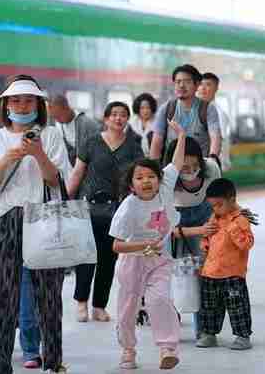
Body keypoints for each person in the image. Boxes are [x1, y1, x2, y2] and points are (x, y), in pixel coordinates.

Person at [0, 75, 71, 374]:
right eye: (16, 100)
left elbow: (57, 181)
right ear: (5, 105)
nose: (22, 105)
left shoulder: (51, 135)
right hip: (7, 218)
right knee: (3, 292)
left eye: (28, 100)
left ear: (38, 104)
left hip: (44, 219)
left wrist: (38, 152)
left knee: (49, 293)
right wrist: (6, 159)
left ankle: (52, 360)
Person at [109, 121, 186, 370]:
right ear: (132, 184)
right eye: (140, 178)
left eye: (151, 176)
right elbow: (117, 247)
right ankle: (128, 350)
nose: (146, 181)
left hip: (160, 259)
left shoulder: (164, 190)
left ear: (159, 180)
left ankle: (167, 348)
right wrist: (142, 245)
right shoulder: (128, 207)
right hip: (133, 260)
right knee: (127, 310)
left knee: (159, 300)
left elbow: (176, 162)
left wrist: (182, 135)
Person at [67, 101, 143, 322]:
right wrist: (67, 200)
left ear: (127, 119)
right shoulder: (91, 142)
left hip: (118, 210)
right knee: (86, 256)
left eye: (123, 115)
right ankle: (81, 302)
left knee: (109, 259)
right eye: (114, 114)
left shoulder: (133, 145)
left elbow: (139, 176)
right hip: (89, 207)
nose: (118, 119)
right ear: (106, 118)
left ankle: (99, 305)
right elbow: (77, 173)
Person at [166, 136, 221, 337]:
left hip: (205, 215)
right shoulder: (166, 179)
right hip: (176, 221)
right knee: (175, 275)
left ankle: (204, 330)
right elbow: (165, 227)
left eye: (194, 166)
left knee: (204, 274)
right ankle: (170, 327)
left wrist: (213, 222)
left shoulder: (212, 168)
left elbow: (221, 200)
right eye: (183, 168)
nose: (189, 171)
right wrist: (194, 231)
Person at [195, 178, 255, 351]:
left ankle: (243, 335)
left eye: (219, 205)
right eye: (212, 206)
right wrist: (205, 241)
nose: (215, 209)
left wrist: (232, 228)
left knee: (237, 305)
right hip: (210, 272)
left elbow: (247, 244)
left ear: (232, 199)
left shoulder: (241, 219)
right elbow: (207, 241)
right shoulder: (214, 217)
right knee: (209, 306)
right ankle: (209, 333)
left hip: (233, 274)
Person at [149, 64, 222, 162]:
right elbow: (157, 142)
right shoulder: (167, 108)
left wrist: (212, 161)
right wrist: (155, 168)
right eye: (178, 82)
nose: (181, 85)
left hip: (199, 169)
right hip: (172, 169)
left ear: (197, 85)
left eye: (187, 82)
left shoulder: (207, 109)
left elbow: (215, 137)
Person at [48, 94, 101, 170]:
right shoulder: (59, 126)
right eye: (54, 117)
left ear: (67, 108)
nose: (57, 120)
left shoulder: (88, 125)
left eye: (58, 116)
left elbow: (99, 153)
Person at [198, 72, 232, 170]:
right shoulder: (195, 110)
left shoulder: (218, 113)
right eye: (200, 84)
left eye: (208, 84)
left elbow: (219, 142)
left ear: (216, 88)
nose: (203, 88)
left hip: (211, 166)